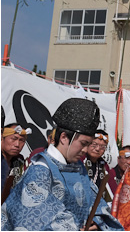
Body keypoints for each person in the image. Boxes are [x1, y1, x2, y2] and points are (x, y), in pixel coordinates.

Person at [1, 98, 123, 230]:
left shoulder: (78, 168)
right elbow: (36, 219)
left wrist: (97, 223)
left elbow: (96, 205)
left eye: (88, 145)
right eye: (83, 144)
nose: (85, 150)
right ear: (64, 137)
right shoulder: (40, 171)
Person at [84, 129, 118, 202]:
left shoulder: (104, 166)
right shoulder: (80, 161)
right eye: (94, 145)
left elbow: (112, 189)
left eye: (102, 147)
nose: (97, 149)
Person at [1, 124, 29, 189]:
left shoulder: (19, 162)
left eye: (21, 140)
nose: (17, 144)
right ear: (2, 138)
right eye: (14, 139)